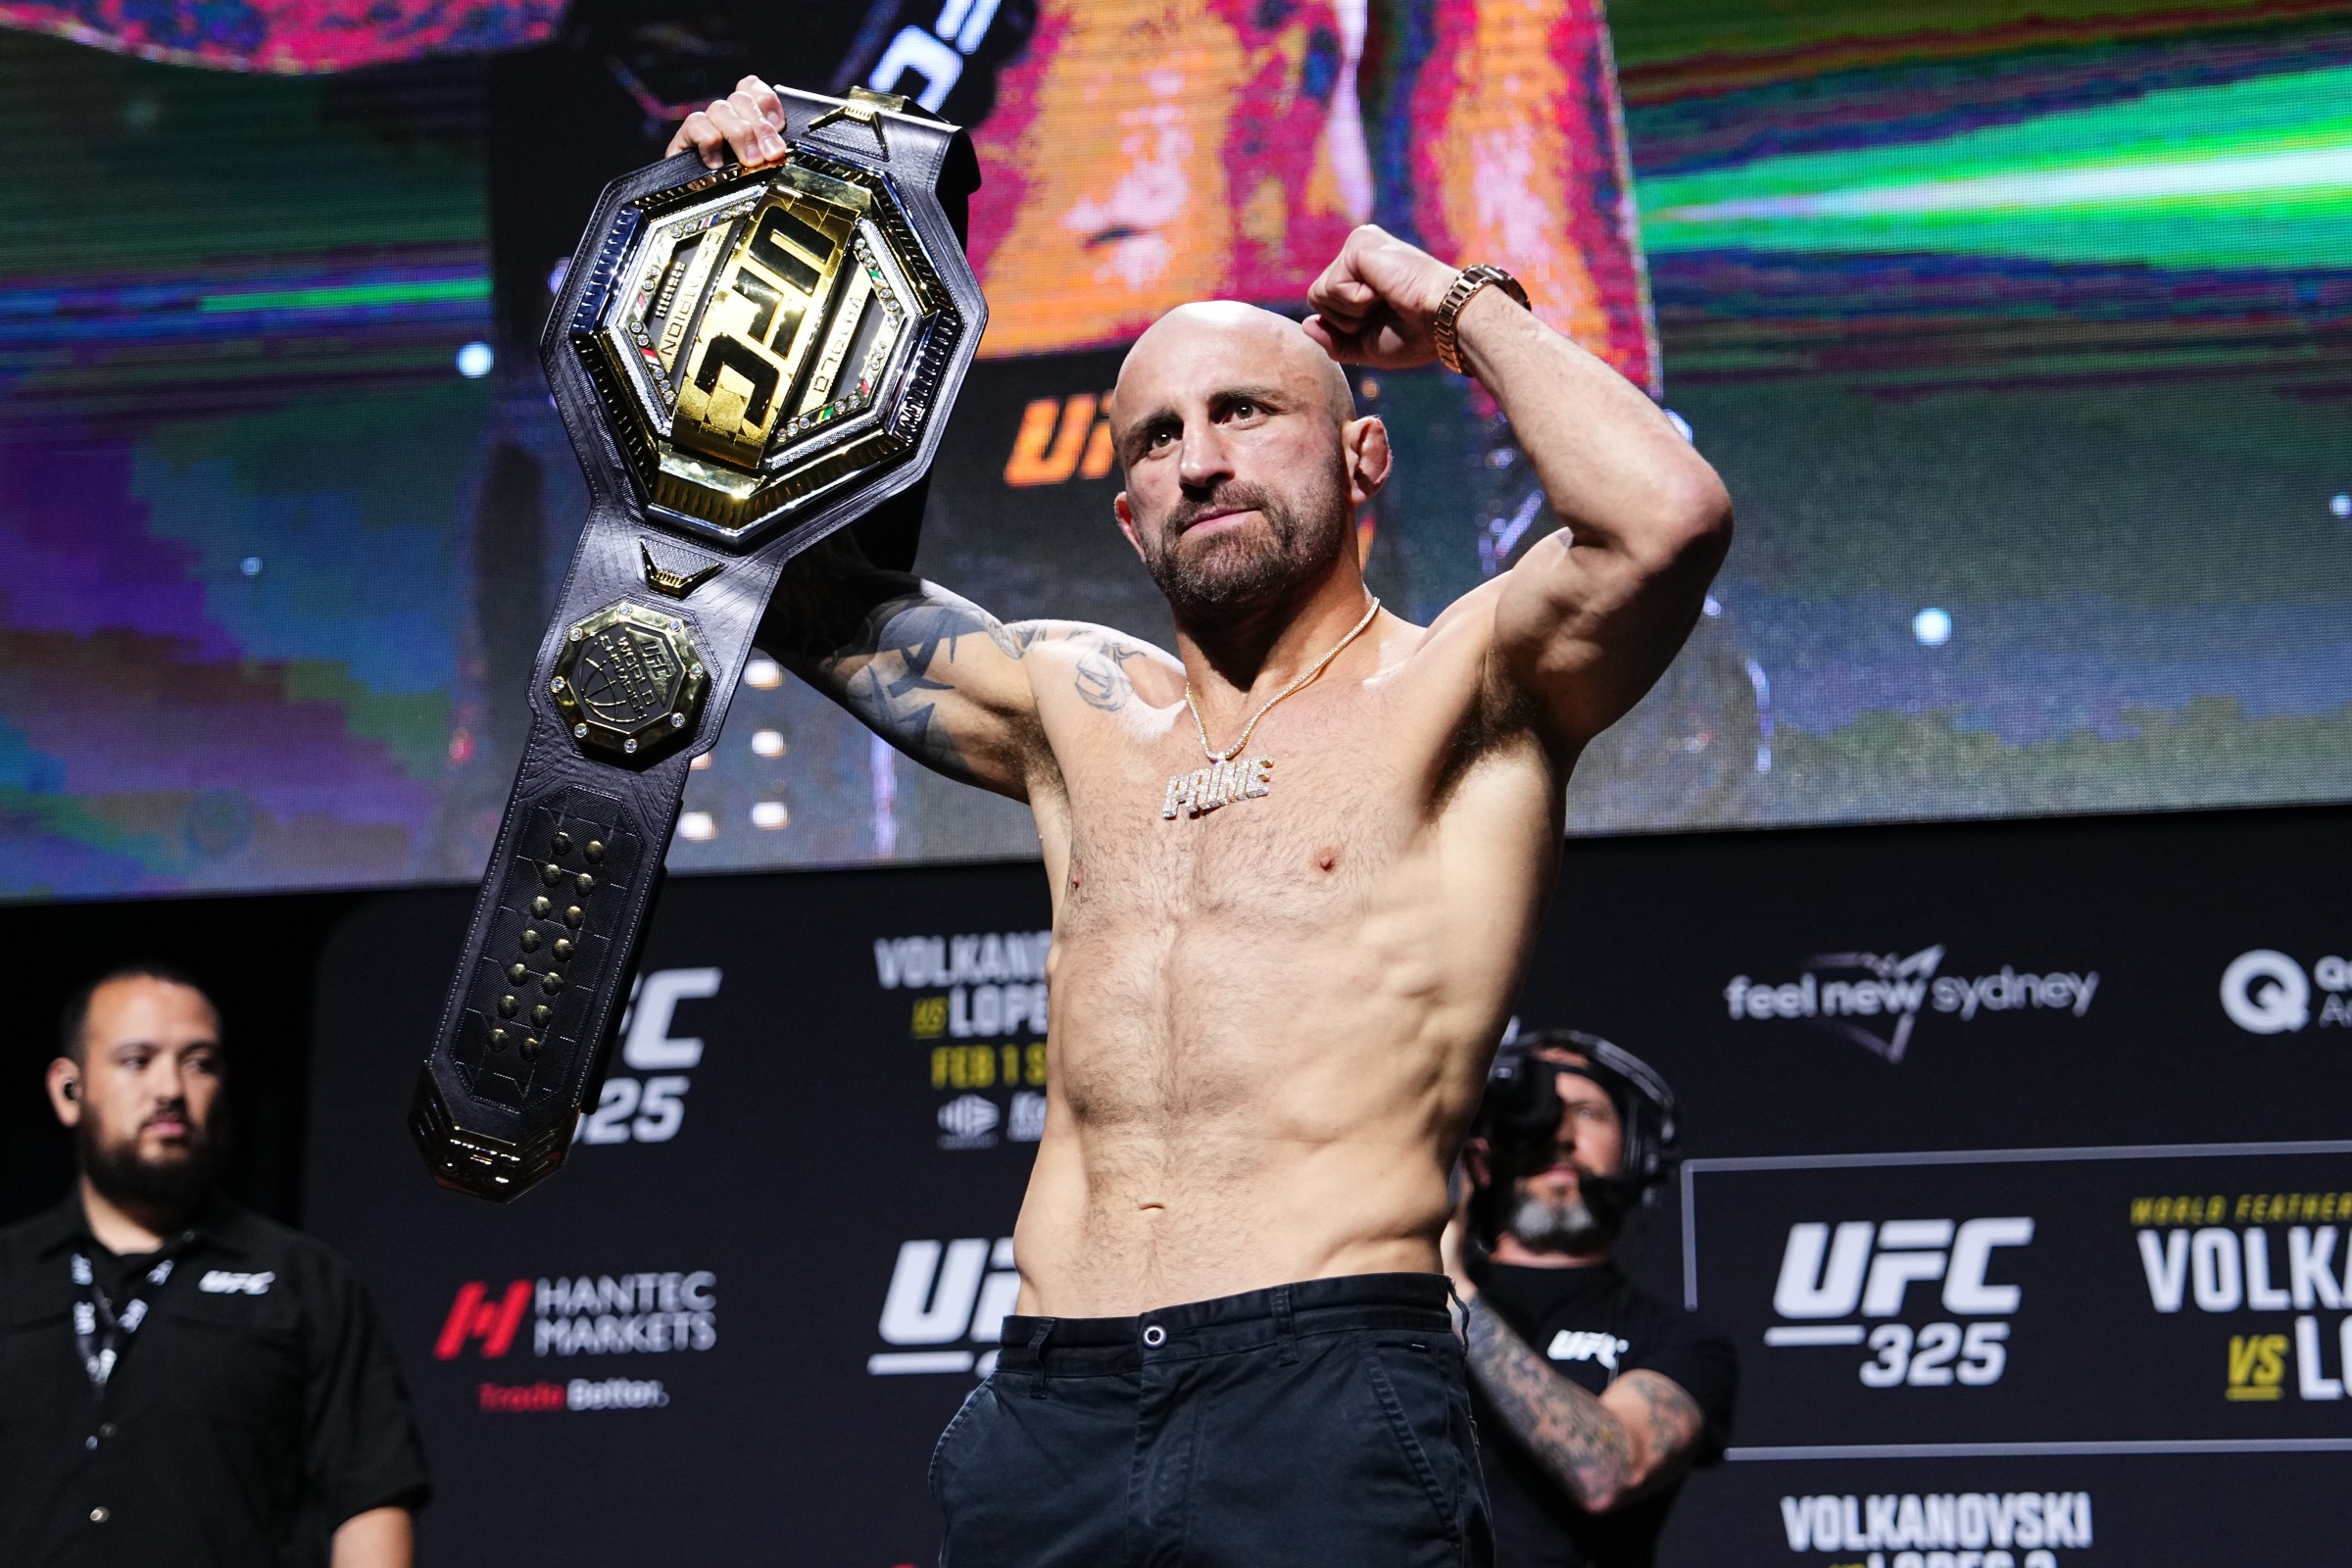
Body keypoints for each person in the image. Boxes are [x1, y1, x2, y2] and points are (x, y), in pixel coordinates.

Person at [665, 74, 1732, 1566]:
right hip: (1054, 1396)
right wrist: (755, 227)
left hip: (1329, 1389)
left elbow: (1664, 516)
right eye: (1155, 439)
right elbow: (788, 579)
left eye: (1246, 413)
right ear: (1125, 513)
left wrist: (1448, 302)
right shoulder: (1075, 711)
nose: (1201, 459)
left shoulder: (1471, 686)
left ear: (1364, 458)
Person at [0, 966, 430, 1568]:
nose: (170, 1089)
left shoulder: (303, 1282)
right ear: (69, 1090)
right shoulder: (9, 1274)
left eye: (199, 1062)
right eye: (136, 1060)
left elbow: (370, 1501)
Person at [1443, 1030, 1737, 1567]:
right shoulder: (1399, 1310)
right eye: (1534, 1112)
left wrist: (1455, 1293)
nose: (1559, 1132)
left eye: (1586, 1111)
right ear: (1480, 1161)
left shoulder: (1684, 1341)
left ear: (1633, 1150)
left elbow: (1606, 1473)